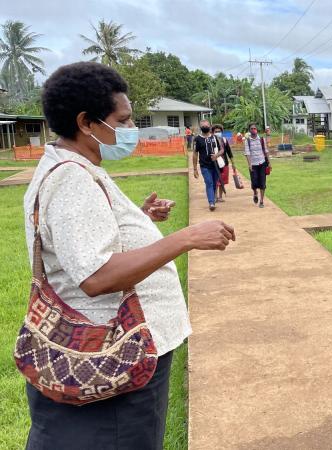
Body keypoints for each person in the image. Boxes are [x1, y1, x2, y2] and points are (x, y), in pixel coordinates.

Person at [22, 61, 236, 450]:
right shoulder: (71, 178)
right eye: (122, 120)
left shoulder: (75, 167)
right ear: (86, 122)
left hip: (119, 355)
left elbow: (80, 242)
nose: (131, 129)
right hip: (113, 355)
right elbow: (97, 276)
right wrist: (186, 238)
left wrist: (137, 219)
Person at [192, 119, 225, 211]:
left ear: (210, 126)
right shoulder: (197, 139)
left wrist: (216, 155)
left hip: (215, 165)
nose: (205, 127)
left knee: (214, 183)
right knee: (209, 182)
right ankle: (211, 203)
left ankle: (212, 199)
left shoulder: (215, 138)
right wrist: (195, 169)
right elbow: (195, 154)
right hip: (204, 166)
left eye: (207, 125)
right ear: (200, 127)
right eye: (203, 126)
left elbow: (222, 150)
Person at [242, 122, 270, 208]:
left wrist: (269, 163)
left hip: (262, 163)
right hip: (253, 164)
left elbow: (266, 151)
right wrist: (249, 164)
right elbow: (247, 153)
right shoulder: (247, 141)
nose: (254, 130)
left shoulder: (261, 139)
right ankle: (255, 193)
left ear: (256, 129)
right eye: (252, 129)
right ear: (249, 130)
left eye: (255, 128)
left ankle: (261, 201)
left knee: (262, 183)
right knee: (254, 183)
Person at [211, 124, 236, 202]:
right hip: (214, 164)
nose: (217, 133)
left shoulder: (224, 140)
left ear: (222, 132)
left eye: (219, 131)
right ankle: (215, 197)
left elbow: (229, 152)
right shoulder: (211, 141)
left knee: (222, 181)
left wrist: (233, 164)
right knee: (215, 181)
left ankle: (220, 197)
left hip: (224, 163)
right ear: (213, 132)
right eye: (216, 131)